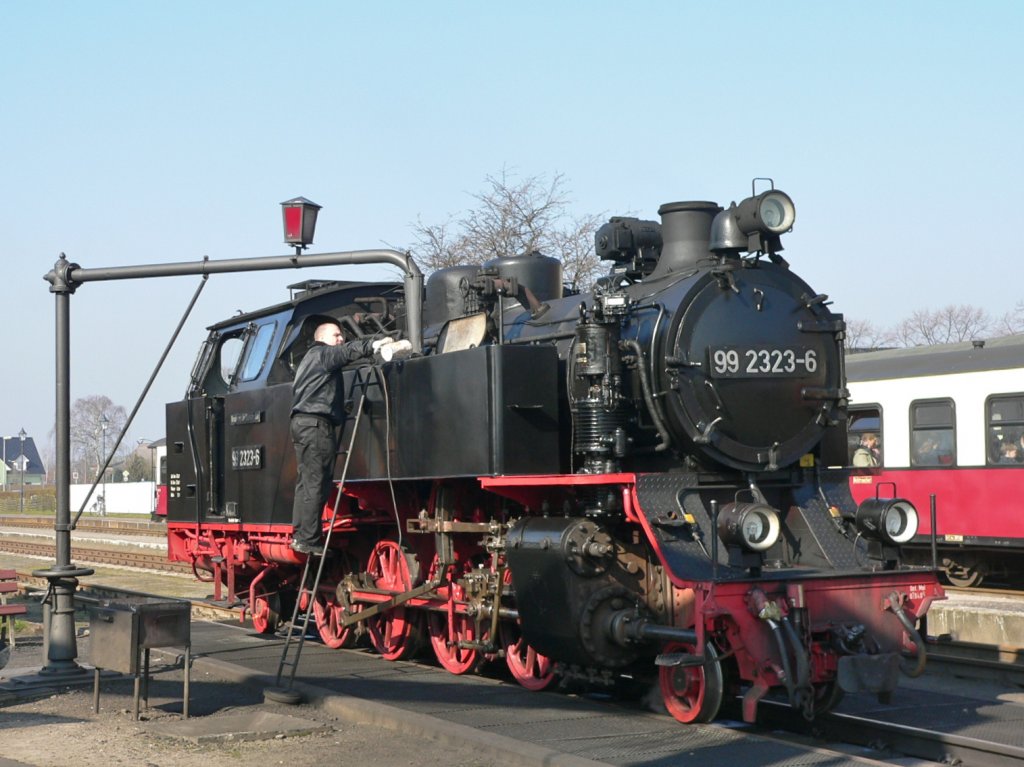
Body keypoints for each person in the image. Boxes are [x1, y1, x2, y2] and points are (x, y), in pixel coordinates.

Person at [289, 320, 383, 555]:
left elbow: (319, 394)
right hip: (316, 425)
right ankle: (308, 540)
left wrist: (341, 409)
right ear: (322, 338)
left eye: (341, 335)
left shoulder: (310, 361)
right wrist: (373, 345)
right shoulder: (322, 354)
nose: (341, 339)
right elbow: (346, 352)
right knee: (316, 481)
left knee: (306, 482)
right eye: (336, 335)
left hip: (304, 423)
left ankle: (301, 534)